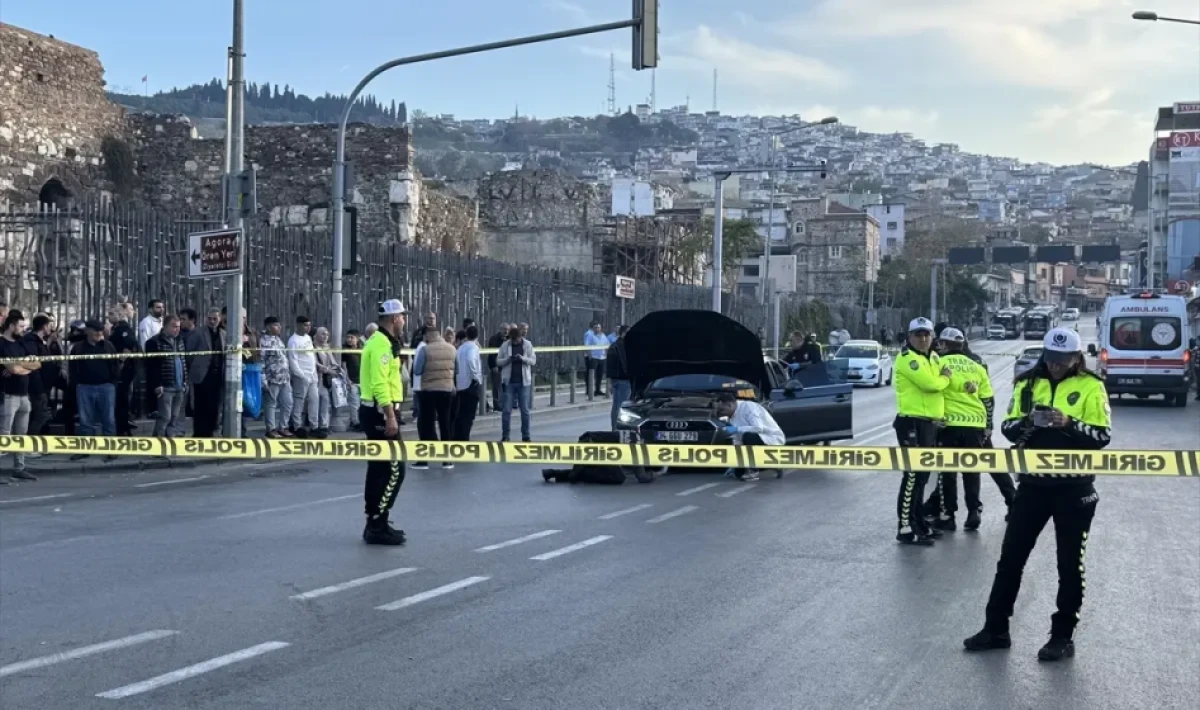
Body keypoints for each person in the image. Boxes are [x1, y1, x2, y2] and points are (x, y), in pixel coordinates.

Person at [964, 327, 1111, 662]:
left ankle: (1062, 636)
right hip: (1032, 485)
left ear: (1076, 358)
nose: (1056, 366)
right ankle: (995, 629)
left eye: (1063, 361)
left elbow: (1102, 436)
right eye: (1051, 359)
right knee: (1010, 560)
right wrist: (1031, 421)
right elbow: (1008, 427)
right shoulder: (1027, 383)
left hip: (1075, 489)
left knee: (1069, 566)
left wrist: (1068, 423)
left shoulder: (1092, 386)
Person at [924, 327, 1014, 531]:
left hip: (949, 425)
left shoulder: (938, 363)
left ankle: (948, 516)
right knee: (973, 471)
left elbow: (931, 390)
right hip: (976, 425)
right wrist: (987, 426)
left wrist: (933, 420)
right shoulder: (977, 365)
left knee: (947, 473)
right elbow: (988, 399)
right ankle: (975, 511)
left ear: (943, 344)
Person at [892, 316, 953, 546]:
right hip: (911, 423)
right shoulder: (908, 359)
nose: (923, 338)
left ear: (933, 336)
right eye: (918, 334)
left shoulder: (934, 357)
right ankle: (906, 527)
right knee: (912, 477)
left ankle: (919, 522)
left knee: (923, 477)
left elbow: (942, 385)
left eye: (926, 334)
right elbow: (931, 385)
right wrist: (945, 377)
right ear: (909, 337)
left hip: (929, 424)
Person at [359, 299, 408, 545]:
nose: (404, 320)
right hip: (379, 412)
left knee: (379, 468)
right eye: (402, 316)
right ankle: (377, 522)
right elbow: (379, 383)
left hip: (379, 410)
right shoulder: (380, 344)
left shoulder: (384, 342)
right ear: (394, 319)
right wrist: (389, 415)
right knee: (395, 470)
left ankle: (376, 521)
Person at [0, 310, 40, 480]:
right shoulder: (2, 344)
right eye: (21, 326)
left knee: (21, 435)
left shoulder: (21, 343)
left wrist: (20, 367)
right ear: (11, 326)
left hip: (24, 395)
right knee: (4, 435)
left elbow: (37, 363)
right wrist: (24, 366)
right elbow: (13, 369)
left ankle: (19, 467)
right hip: (8, 395)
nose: (23, 330)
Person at [411, 328, 457, 469]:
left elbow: (417, 370)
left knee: (426, 424)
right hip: (446, 390)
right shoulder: (452, 349)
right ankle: (447, 460)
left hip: (428, 391)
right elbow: (458, 370)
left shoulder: (426, 350)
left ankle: (424, 460)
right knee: (445, 423)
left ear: (427, 336)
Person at [714, 391, 785, 482]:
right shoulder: (731, 416)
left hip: (771, 438)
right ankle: (772, 464)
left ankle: (753, 471)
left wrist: (737, 429)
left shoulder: (748, 407)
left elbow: (758, 428)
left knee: (748, 436)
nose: (721, 413)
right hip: (756, 441)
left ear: (729, 405)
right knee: (738, 474)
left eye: (722, 410)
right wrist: (736, 464)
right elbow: (737, 440)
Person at [70, 320, 120, 448]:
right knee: (85, 421)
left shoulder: (108, 346)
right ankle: (86, 449)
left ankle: (110, 449)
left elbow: (115, 365)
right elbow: (73, 368)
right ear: (87, 331)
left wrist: (112, 383)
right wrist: (77, 384)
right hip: (85, 387)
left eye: (100, 330)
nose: (99, 333)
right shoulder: (79, 348)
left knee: (108, 420)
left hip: (106, 387)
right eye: (95, 330)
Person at [145, 315, 189, 438]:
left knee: (174, 418)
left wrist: (185, 382)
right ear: (165, 326)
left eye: (178, 327)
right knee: (165, 417)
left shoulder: (180, 340)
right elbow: (152, 367)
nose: (177, 329)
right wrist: (157, 384)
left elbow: (183, 361)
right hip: (165, 386)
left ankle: (169, 442)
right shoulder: (154, 342)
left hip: (179, 386)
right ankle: (157, 443)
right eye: (174, 326)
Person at [185, 308, 225, 437]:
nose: (212, 321)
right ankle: (200, 433)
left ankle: (212, 431)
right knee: (200, 405)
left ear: (219, 319)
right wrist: (196, 367)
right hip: (202, 375)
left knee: (215, 405)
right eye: (210, 318)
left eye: (215, 319)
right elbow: (189, 353)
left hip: (217, 374)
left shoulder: (224, 334)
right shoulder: (198, 332)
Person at [496, 325, 535, 442]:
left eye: (516, 340)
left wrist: (523, 359)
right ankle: (506, 435)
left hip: (524, 382)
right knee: (506, 410)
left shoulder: (527, 345)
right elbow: (498, 361)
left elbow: (533, 360)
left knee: (525, 410)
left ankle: (526, 435)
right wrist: (507, 360)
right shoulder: (505, 345)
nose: (514, 342)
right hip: (509, 382)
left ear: (520, 337)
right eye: (512, 340)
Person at [260, 317, 294, 439]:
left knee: (288, 403)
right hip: (272, 378)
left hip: (284, 377)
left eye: (279, 325)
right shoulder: (263, 342)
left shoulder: (279, 340)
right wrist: (263, 380)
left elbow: (284, 358)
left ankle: (283, 427)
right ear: (268, 327)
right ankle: (271, 429)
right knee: (271, 403)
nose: (279, 328)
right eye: (276, 325)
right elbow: (261, 361)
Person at [287, 316, 318, 438]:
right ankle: (296, 425)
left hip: (312, 374)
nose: (308, 327)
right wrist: (300, 375)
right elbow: (293, 360)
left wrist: (314, 372)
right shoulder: (293, 340)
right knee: (299, 400)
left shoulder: (308, 338)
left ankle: (314, 425)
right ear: (299, 325)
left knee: (314, 400)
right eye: (305, 325)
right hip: (301, 376)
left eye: (309, 325)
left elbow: (311, 356)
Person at [453, 324, 483, 442]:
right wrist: (476, 377)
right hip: (470, 384)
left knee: (460, 414)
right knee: (469, 415)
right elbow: (471, 360)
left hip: (460, 384)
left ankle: (457, 437)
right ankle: (464, 438)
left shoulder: (461, 348)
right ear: (477, 336)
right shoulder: (473, 347)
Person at [607, 325, 631, 430]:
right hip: (623, 380)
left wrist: (608, 382)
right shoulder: (624, 346)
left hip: (615, 380)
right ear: (623, 333)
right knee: (622, 407)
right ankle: (618, 430)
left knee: (616, 406)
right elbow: (626, 364)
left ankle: (615, 428)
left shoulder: (613, 346)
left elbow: (608, 366)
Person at [341, 330, 363, 432]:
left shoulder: (362, 348)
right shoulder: (345, 349)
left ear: (357, 339)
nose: (349, 340)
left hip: (362, 381)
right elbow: (344, 366)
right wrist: (347, 379)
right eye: (348, 337)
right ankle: (356, 423)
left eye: (352, 337)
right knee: (354, 404)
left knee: (363, 403)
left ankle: (358, 421)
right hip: (352, 381)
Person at [486, 323, 509, 412]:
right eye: (504, 329)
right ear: (500, 329)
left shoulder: (508, 339)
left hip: (506, 367)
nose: (506, 331)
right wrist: (493, 366)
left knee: (505, 387)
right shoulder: (494, 339)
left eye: (507, 329)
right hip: (496, 367)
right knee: (497, 387)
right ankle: (497, 405)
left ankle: (504, 404)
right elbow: (491, 354)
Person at [584, 321, 608, 397]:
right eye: (595, 327)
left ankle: (598, 390)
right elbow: (587, 346)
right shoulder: (590, 335)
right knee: (591, 374)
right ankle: (589, 390)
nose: (597, 329)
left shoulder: (603, 335)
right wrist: (590, 356)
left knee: (600, 375)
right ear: (593, 328)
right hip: (593, 357)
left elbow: (607, 345)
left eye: (598, 327)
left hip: (602, 357)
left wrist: (606, 355)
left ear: (601, 328)